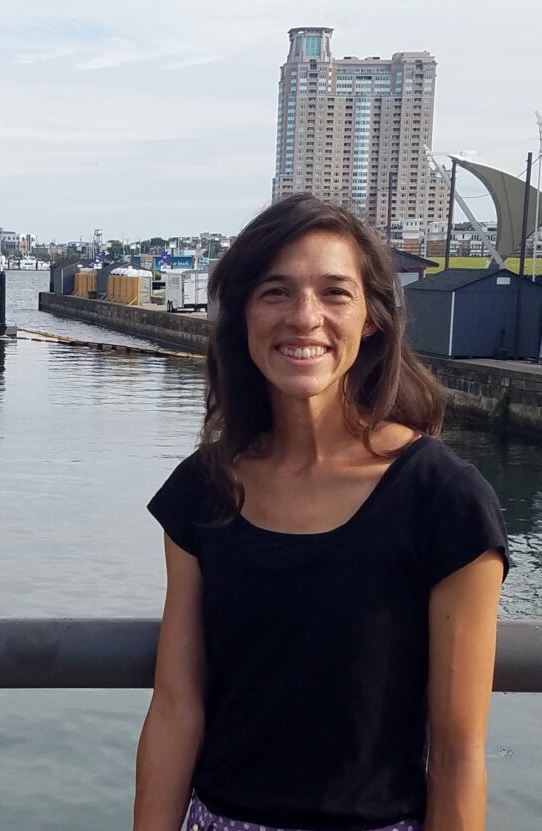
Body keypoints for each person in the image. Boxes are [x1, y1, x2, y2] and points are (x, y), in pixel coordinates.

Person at [133, 194, 509, 831]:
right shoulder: (205, 487)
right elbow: (176, 709)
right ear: (242, 316)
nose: (305, 317)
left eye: (335, 293)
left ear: (372, 318)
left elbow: (457, 754)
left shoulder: (444, 500)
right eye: (275, 292)